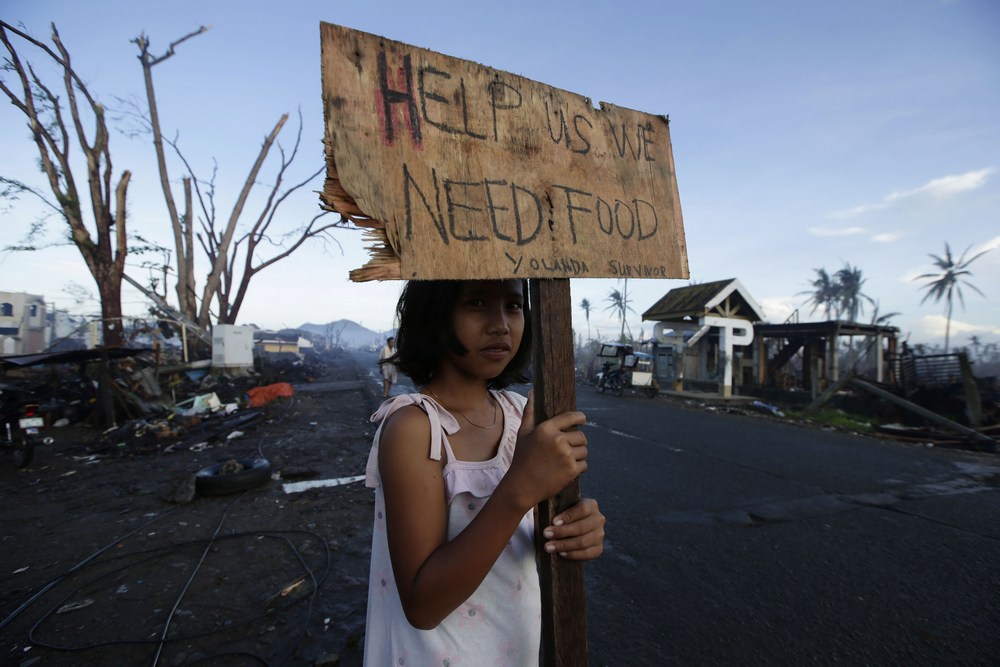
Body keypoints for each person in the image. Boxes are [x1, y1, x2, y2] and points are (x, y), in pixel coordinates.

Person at [363, 279, 605, 665]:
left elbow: (528, 533)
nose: (501, 325)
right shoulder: (416, 427)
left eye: (513, 306)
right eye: (476, 303)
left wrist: (578, 529)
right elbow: (422, 606)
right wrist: (518, 490)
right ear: (435, 313)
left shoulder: (518, 414)